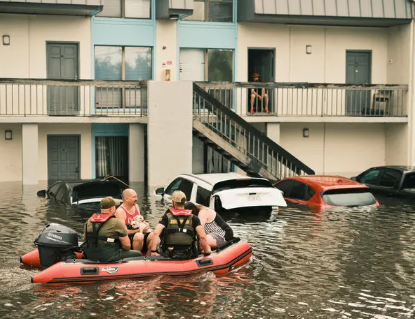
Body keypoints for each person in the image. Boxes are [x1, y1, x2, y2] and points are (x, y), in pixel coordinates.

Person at [147, 190, 211, 259]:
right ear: (184, 202)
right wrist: (207, 251)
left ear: (174, 203)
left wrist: (153, 251)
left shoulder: (166, 217)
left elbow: (156, 233)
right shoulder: (194, 218)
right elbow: (202, 236)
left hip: (169, 253)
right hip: (189, 254)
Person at [82, 196, 142, 262]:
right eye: (115, 206)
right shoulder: (116, 222)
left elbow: (85, 238)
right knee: (138, 254)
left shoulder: (89, 220)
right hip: (108, 256)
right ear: (111, 209)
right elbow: (127, 245)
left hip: (90, 255)